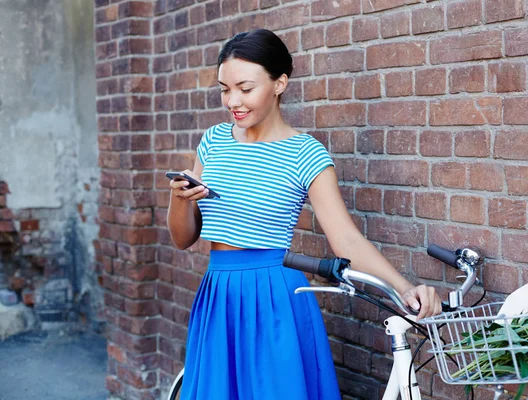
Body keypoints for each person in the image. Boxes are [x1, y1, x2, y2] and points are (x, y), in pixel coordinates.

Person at [167, 28, 442, 400]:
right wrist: (180, 199)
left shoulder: (304, 154)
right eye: (224, 89)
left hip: (274, 296)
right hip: (218, 293)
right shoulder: (214, 140)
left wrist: (404, 289)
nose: (233, 100)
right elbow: (183, 239)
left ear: (279, 83)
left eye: (245, 89)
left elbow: (345, 238)